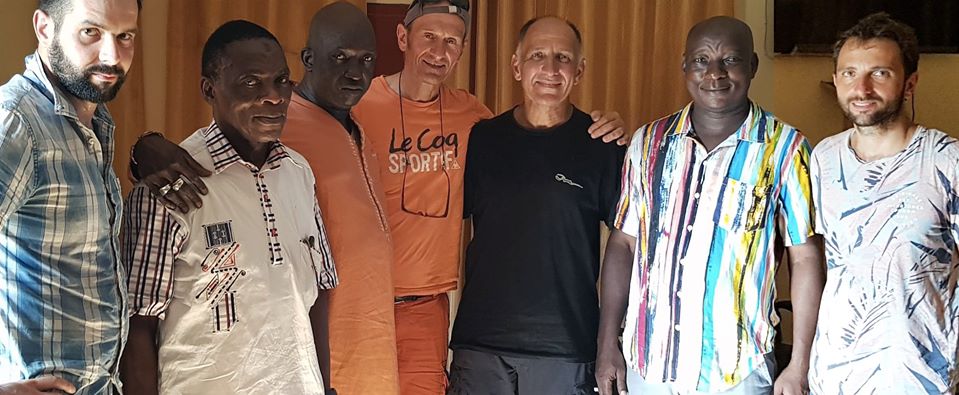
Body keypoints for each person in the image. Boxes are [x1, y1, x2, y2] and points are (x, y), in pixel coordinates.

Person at [131, 1, 628, 393]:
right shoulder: (321, 111)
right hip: (338, 312)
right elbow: (216, 147)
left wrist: (608, 130)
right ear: (403, 38)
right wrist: (144, 147)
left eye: (453, 42)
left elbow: (531, 169)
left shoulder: (474, 121)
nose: (439, 50)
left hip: (426, 313)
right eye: (428, 36)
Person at [595, 16, 825, 395]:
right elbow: (622, 244)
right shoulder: (649, 143)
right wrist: (607, 345)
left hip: (737, 372)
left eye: (730, 60)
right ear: (685, 65)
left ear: (752, 66)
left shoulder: (786, 149)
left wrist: (800, 363)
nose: (714, 73)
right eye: (701, 60)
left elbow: (805, 259)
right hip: (649, 365)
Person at [120, 20, 338, 394]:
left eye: (281, 81)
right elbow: (136, 326)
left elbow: (317, 295)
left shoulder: (299, 173)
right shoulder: (171, 184)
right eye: (251, 82)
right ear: (209, 89)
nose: (273, 97)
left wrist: (325, 387)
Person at [446, 16, 624, 394]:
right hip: (480, 346)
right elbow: (445, 232)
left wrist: (610, 340)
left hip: (566, 349)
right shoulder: (482, 140)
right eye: (537, 55)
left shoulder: (603, 146)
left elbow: (624, 247)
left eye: (562, 57)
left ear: (580, 70)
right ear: (516, 66)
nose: (549, 68)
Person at [807, 13, 959, 394]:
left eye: (880, 73)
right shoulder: (823, 159)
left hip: (920, 376)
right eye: (848, 73)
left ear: (910, 83)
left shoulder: (947, 160)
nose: (861, 87)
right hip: (834, 376)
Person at [0, 0, 140, 393]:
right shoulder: (17, 122)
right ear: (44, 28)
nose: (112, 56)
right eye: (91, 33)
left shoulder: (93, 123)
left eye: (124, 36)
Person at [282, 3, 400, 394]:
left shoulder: (359, 130)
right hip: (319, 360)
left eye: (367, 59)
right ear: (309, 59)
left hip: (372, 350)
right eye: (340, 58)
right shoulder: (277, 125)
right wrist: (147, 150)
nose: (356, 73)